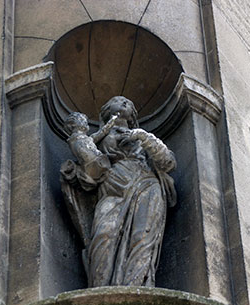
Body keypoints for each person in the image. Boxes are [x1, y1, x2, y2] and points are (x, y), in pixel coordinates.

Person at [60, 96, 176, 287]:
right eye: (118, 100)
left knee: (142, 237)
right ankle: (100, 289)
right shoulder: (97, 137)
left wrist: (143, 137)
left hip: (146, 185)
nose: (125, 103)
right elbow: (89, 163)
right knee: (103, 236)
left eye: (128, 102)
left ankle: (135, 287)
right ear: (107, 109)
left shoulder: (141, 135)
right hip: (112, 187)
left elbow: (168, 162)